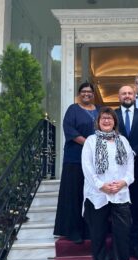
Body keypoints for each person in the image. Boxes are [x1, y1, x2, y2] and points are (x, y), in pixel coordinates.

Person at [82, 107, 134, 260]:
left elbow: (130, 168)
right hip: (97, 195)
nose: (106, 121)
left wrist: (123, 182)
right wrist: (101, 186)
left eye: (109, 119)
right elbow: (87, 168)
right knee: (98, 234)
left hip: (121, 194)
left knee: (122, 233)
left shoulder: (124, 141)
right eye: (103, 118)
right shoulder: (90, 141)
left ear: (115, 122)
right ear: (98, 121)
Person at [54, 82, 98, 243]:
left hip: (94, 160)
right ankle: (72, 231)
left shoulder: (98, 110)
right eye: (83, 91)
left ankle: (88, 229)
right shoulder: (73, 109)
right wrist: (89, 144)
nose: (86, 94)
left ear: (93, 94)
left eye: (89, 91)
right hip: (75, 159)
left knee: (90, 195)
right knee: (74, 194)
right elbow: (70, 131)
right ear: (79, 94)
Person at [115, 85, 138, 260]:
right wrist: (123, 153)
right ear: (119, 96)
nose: (127, 96)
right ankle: (120, 248)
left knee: (137, 210)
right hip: (116, 171)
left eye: (130, 93)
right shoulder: (111, 115)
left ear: (134, 96)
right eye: (124, 93)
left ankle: (135, 245)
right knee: (118, 211)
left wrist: (133, 151)